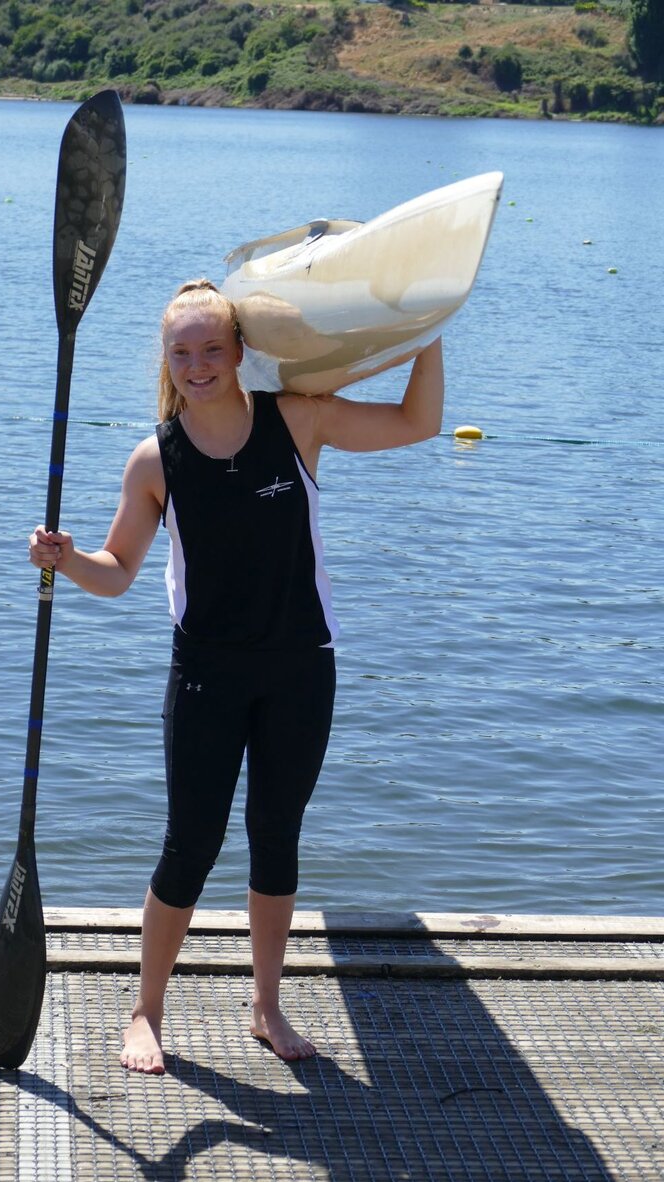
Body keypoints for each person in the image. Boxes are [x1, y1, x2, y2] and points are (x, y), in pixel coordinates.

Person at [28, 279, 444, 1074]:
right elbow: (116, 572)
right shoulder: (157, 459)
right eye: (181, 352)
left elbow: (418, 422)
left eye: (212, 348)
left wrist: (429, 331)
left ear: (242, 351)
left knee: (275, 840)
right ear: (167, 361)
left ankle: (266, 1005)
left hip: (300, 670)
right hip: (206, 678)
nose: (197, 364)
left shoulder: (298, 419)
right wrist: (64, 559)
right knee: (190, 845)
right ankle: (146, 1011)